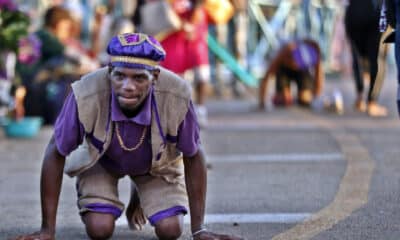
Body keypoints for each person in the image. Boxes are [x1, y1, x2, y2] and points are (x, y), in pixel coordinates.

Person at [12, 33, 242, 240]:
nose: (127, 86)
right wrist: (47, 231)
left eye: (139, 78)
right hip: (100, 161)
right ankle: (106, 197)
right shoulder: (85, 93)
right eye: (119, 76)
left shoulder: (177, 94)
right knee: (99, 230)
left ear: (155, 76)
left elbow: (193, 154)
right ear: (109, 72)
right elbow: (55, 151)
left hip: (157, 165)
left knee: (170, 230)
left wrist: (199, 229)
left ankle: (142, 189)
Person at [345, 0, 388, 117]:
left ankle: (360, 97)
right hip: (376, 11)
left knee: (357, 55)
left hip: (354, 12)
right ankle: (372, 102)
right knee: (378, 58)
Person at [258, 39, 327, 110]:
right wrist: (262, 101)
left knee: (305, 99)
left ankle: (296, 97)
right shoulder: (284, 53)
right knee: (284, 100)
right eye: (293, 62)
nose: (295, 65)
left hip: (302, 71)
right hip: (284, 71)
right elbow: (267, 77)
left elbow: (318, 76)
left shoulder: (312, 52)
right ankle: (280, 96)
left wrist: (316, 96)